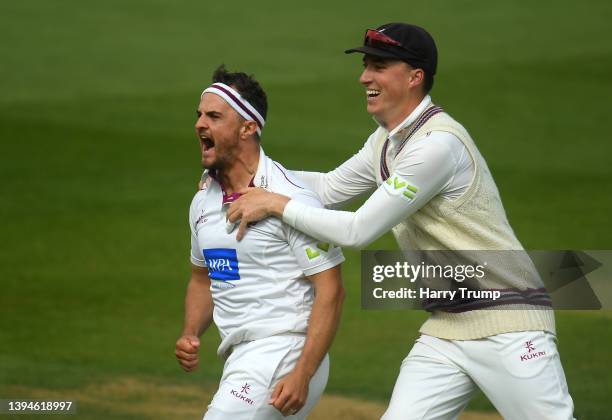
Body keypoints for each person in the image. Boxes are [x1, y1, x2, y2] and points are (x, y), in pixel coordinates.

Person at [225, 23, 575, 419]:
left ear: (414, 77)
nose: (364, 77)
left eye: (378, 66)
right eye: (365, 66)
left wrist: (274, 203)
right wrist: (244, 174)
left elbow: (358, 231)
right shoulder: (386, 140)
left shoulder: (437, 146)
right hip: (447, 328)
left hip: (510, 321)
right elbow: (327, 188)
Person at [176, 65, 345, 420]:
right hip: (242, 357)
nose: (199, 124)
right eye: (199, 115)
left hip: (286, 352)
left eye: (214, 116)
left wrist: (303, 373)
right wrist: (191, 332)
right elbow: (202, 277)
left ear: (247, 128)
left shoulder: (291, 199)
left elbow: (331, 288)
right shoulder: (202, 202)